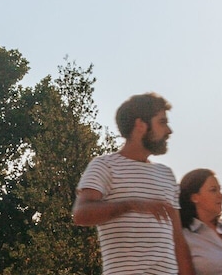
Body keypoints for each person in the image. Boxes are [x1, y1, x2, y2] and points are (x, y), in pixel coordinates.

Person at [74, 93, 191, 275]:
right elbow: (81, 214)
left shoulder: (166, 174)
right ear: (140, 125)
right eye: (162, 122)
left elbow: (179, 241)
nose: (169, 130)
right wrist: (131, 205)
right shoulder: (105, 166)